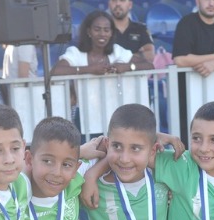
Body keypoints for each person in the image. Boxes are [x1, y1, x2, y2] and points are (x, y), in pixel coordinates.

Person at [51, 9, 150, 137]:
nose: (102, 34)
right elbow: (55, 72)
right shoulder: (76, 52)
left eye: (106, 30)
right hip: (86, 117)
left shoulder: (117, 51)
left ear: (111, 33)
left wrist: (127, 67)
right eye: (97, 29)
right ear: (89, 32)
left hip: (115, 115)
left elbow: (149, 65)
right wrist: (89, 69)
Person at [107, 0, 155, 65]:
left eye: (122, 0)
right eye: (114, 0)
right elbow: (100, 58)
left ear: (130, 5)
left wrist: (118, 60)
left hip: (137, 73)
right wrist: (137, 56)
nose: (118, 3)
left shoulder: (140, 29)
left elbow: (150, 56)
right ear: (109, 4)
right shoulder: (103, 30)